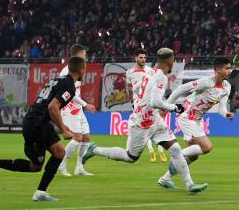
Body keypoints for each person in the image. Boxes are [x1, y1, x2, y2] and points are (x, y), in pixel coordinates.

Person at [82, 48, 208, 195]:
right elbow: (155, 101)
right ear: (170, 60)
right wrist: (175, 107)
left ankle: (189, 185)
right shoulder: (160, 77)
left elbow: (141, 93)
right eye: (174, 59)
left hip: (154, 120)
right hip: (142, 123)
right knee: (130, 157)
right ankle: (95, 150)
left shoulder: (150, 73)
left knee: (175, 149)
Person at [0, 57, 86, 201]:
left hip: (42, 122)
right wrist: (64, 130)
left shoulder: (59, 79)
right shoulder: (69, 86)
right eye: (85, 68)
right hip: (35, 125)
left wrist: (64, 126)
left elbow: (49, 106)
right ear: (81, 70)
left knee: (59, 153)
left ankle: (41, 193)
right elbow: (52, 107)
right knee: (36, 166)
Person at [157, 57, 234, 189]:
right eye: (227, 68)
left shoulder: (226, 87)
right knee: (207, 147)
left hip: (197, 120)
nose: (230, 70)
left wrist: (226, 114)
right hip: (186, 116)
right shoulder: (205, 82)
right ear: (217, 70)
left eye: (230, 67)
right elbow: (180, 89)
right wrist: (166, 106)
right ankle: (176, 156)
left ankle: (165, 179)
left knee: (193, 156)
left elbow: (221, 108)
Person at [58, 44, 97, 177]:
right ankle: (61, 165)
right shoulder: (66, 71)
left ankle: (79, 167)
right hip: (68, 108)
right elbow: (69, 92)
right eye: (84, 54)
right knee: (77, 137)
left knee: (86, 138)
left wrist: (82, 105)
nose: (85, 56)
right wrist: (86, 104)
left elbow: (75, 92)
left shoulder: (78, 69)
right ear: (78, 54)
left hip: (77, 108)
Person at [126, 47, 167, 163]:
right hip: (138, 104)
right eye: (141, 57)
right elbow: (129, 88)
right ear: (135, 58)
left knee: (157, 124)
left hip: (151, 102)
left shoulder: (150, 71)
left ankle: (160, 149)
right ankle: (151, 150)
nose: (143, 59)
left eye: (144, 57)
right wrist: (131, 101)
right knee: (144, 125)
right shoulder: (129, 73)